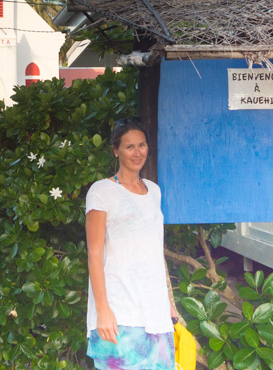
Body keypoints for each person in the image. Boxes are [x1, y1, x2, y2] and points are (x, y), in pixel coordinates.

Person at [85, 118, 176, 370]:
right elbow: (94, 254)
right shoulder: (101, 191)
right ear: (116, 150)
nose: (137, 153)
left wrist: (168, 301)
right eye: (129, 147)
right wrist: (102, 310)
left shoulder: (154, 191)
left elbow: (154, 251)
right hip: (120, 311)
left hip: (155, 311)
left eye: (142, 145)